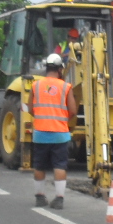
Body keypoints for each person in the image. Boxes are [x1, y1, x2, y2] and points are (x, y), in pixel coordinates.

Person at [29, 53, 78, 210]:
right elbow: (73, 110)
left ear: (46, 68)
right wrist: (62, 119)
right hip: (60, 134)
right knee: (60, 165)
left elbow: (30, 109)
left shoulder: (36, 86)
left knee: (39, 166)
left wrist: (42, 118)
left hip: (40, 133)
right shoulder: (66, 87)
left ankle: (39, 198)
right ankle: (59, 199)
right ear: (60, 69)